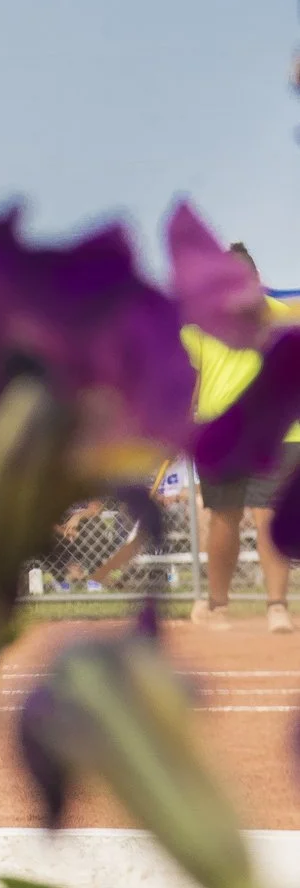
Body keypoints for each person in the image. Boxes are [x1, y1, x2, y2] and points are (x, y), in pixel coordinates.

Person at [186, 244, 297, 631]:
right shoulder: (197, 323)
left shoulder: (283, 315)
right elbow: (190, 378)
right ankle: (217, 605)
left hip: (281, 430)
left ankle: (276, 606)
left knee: (268, 514)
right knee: (223, 519)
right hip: (221, 431)